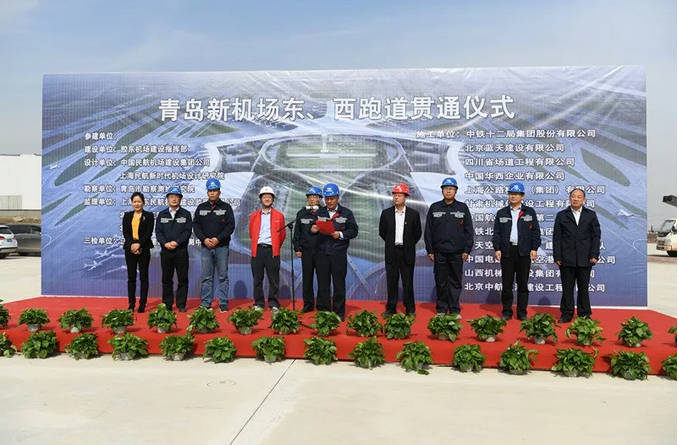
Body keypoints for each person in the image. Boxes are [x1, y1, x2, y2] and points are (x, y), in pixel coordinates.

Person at [424, 177, 473, 318]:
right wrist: (430, 250)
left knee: (455, 282)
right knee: (441, 281)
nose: (448, 191)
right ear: (442, 191)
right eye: (446, 188)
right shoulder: (435, 207)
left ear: (455, 191)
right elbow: (428, 231)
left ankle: (454, 310)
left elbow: (469, 231)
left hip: (457, 253)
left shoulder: (462, 208)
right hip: (439, 252)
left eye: (451, 189)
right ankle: (441, 309)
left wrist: (466, 250)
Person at [492, 182, 541, 321]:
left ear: (522, 196)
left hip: (524, 252)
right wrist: (497, 248)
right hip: (507, 251)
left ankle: (521, 312)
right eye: (511, 194)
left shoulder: (529, 212)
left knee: (523, 284)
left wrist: (534, 248)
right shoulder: (502, 212)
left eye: (516, 194)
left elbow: (536, 232)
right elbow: (497, 233)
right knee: (507, 284)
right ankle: (507, 312)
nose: (513, 196)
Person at [311, 183, 358, 320]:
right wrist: (313, 230)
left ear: (338, 197)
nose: (329, 201)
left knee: (339, 283)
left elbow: (354, 231)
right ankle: (324, 311)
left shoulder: (346, 213)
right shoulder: (320, 212)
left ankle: (338, 312)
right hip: (322, 253)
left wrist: (341, 234)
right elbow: (313, 228)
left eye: (332, 198)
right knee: (323, 283)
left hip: (338, 253)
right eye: (327, 198)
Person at [553, 188, 601, 323]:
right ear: (569, 198)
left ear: (584, 199)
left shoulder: (590, 215)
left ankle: (584, 314)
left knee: (583, 288)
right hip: (566, 257)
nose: (576, 199)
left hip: (585, 258)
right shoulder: (562, 215)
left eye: (579, 197)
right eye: (573, 196)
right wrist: (557, 256)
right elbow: (557, 237)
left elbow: (596, 236)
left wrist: (594, 254)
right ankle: (566, 313)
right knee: (567, 288)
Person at [379, 183, 422, 317]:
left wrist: (408, 244)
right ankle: (391, 308)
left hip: (406, 252)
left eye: (399, 195)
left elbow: (417, 234)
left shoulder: (413, 214)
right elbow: (382, 232)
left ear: (405, 197)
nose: (396, 197)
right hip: (392, 251)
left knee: (407, 282)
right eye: (395, 195)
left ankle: (410, 309)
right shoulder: (386, 213)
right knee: (391, 281)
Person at [193, 178, 235, 312]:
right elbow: (196, 226)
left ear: (219, 192)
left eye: (215, 190)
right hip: (206, 247)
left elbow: (230, 226)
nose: (212, 193)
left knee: (223, 276)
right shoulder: (201, 208)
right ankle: (206, 303)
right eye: (210, 191)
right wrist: (204, 239)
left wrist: (218, 239)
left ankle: (223, 303)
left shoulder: (226, 207)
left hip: (222, 247)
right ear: (207, 192)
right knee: (207, 277)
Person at [155, 186, 193, 312]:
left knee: (183, 279)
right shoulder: (162, 214)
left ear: (180, 199)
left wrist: (177, 242)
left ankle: (181, 304)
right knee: (167, 279)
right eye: (171, 196)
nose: (174, 199)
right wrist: (165, 243)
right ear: (167, 199)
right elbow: (158, 232)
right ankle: (167, 304)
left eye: (176, 196)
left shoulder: (186, 214)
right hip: (166, 251)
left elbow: (187, 231)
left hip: (180, 251)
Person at [249, 186, 286, 313]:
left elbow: (282, 235)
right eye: (264, 197)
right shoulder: (254, 216)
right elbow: (251, 233)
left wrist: (275, 246)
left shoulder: (279, 216)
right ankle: (258, 303)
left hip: (272, 251)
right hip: (258, 250)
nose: (267, 199)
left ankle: (273, 303)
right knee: (257, 279)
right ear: (260, 199)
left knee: (273, 279)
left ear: (273, 199)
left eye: (269, 197)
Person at [122, 192, 154, 313]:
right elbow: (125, 232)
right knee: (131, 277)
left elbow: (148, 233)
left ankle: (142, 304)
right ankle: (131, 303)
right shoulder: (127, 216)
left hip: (144, 248)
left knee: (144, 277)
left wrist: (139, 244)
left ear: (143, 203)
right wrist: (132, 245)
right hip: (130, 249)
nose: (137, 204)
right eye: (134, 202)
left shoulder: (149, 216)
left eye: (139, 201)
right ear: (131, 203)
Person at [293, 186, 323, 312]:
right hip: (306, 251)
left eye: (315, 197)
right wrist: (297, 248)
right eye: (310, 197)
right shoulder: (301, 213)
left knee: (323, 279)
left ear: (320, 199)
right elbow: (297, 233)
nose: (312, 199)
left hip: (322, 251)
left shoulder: (324, 212)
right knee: (307, 278)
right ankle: (308, 304)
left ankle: (322, 305)